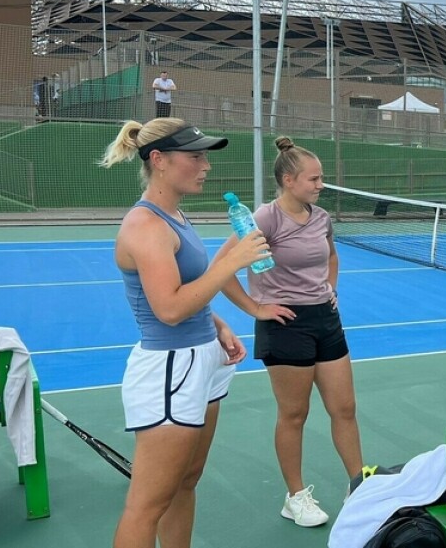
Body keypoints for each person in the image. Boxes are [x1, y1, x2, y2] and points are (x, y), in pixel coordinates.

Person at [99, 118, 275, 548]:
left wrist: (216, 324)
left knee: (186, 481)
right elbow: (170, 309)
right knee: (146, 505)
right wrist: (230, 263)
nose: (205, 166)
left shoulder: (175, 214)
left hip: (200, 359)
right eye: (195, 157)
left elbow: (186, 289)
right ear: (159, 160)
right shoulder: (145, 226)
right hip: (169, 370)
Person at [215, 136, 363, 528]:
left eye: (321, 178)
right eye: (314, 179)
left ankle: (358, 486)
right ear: (289, 180)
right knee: (294, 414)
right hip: (284, 324)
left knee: (345, 409)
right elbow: (221, 268)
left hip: (326, 320)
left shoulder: (321, 217)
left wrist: (330, 289)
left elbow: (332, 257)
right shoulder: (265, 218)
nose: (320, 185)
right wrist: (255, 308)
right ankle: (295, 497)